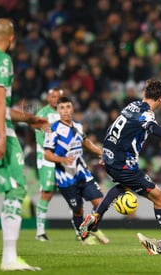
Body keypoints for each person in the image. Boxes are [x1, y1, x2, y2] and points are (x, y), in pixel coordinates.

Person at [79, 78, 161, 253]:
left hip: (111, 160)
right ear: (160, 99)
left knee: (124, 186)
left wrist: (106, 151)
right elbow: (155, 130)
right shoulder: (147, 114)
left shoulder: (131, 106)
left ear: (144, 93)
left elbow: (113, 128)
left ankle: (97, 215)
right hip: (125, 166)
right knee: (160, 199)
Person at [0, 18, 46, 271]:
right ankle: (9, 258)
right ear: (12, 39)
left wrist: (27, 118)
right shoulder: (2, 60)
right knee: (16, 190)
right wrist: (0, 136)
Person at [43, 96, 108, 245]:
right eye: (62, 107)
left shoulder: (78, 126)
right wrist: (62, 160)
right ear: (58, 110)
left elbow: (86, 142)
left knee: (100, 203)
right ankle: (83, 236)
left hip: (82, 173)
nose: (65, 111)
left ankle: (91, 227)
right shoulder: (52, 130)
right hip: (65, 178)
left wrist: (100, 153)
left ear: (72, 109)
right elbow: (47, 154)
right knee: (78, 210)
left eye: (68, 107)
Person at [35, 88, 63, 241]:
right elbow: (39, 137)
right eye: (53, 96)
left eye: (58, 96)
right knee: (47, 191)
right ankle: (40, 231)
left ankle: (79, 229)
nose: (55, 99)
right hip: (46, 157)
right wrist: (51, 152)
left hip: (63, 157)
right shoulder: (42, 114)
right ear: (48, 98)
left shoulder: (64, 112)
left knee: (72, 190)